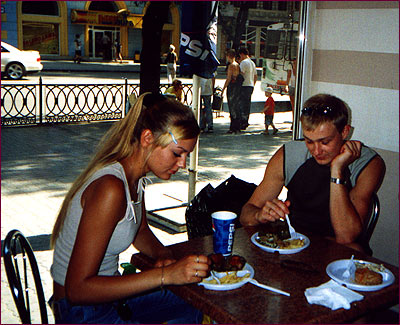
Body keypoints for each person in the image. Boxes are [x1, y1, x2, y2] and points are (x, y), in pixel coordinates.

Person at [49, 93, 210, 324]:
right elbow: (78, 289)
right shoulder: (111, 188)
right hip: (81, 312)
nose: (183, 164)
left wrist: (163, 256)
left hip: (104, 301)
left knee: (194, 304)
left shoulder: (135, 178)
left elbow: (140, 231)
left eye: (187, 155)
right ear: (147, 138)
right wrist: (165, 275)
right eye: (177, 153)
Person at [240, 94, 385, 253]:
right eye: (309, 141)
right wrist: (259, 215)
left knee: (354, 248)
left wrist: (336, 170)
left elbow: (346, 237)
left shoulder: (368, 163)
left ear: (344, 132)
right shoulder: (289, 155)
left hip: (334, 247)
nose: (316, 151)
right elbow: (246, 214)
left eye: (325, 142)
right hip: (294, 242)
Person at [222, 49, 241, 134]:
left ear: (229, 56)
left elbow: (229, 78)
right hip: (237, 87)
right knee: (236, 107)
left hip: (232, 87)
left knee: (231, 107)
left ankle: (232, 127)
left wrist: (223, 89)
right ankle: (237, 126)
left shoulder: (231, 66)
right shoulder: (237, 65)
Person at [238, 47, 257, 130]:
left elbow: (241, 74)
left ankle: (242, 121)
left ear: (242, 54)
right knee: (247, 104)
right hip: (250, 85)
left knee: (242, 104)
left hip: (244, 85)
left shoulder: (243, 63)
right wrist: (253, 83)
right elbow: (255, 76)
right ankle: (246, 120)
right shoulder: (252, 63)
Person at [286, 59, 297, 128]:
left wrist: (287, 85)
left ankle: (294, 123)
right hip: (295, 87)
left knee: (293, 106)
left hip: (292, 87)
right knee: (294, 106)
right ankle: (294, 122)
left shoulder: (291, 67)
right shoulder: (297, 67)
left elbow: (289, 76)